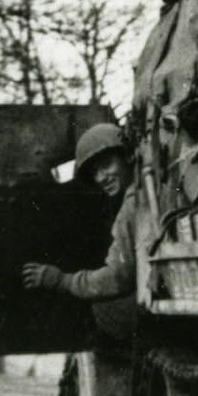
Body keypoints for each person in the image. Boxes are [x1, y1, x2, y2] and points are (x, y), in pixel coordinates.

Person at [22, 125, 141, 343]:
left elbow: (118, 277)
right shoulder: (140, 195)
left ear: (127, 157)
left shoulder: (133, 204)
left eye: (106, 165)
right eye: (95, 172)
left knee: (102, 310)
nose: (101, 178)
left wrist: (63, 281)